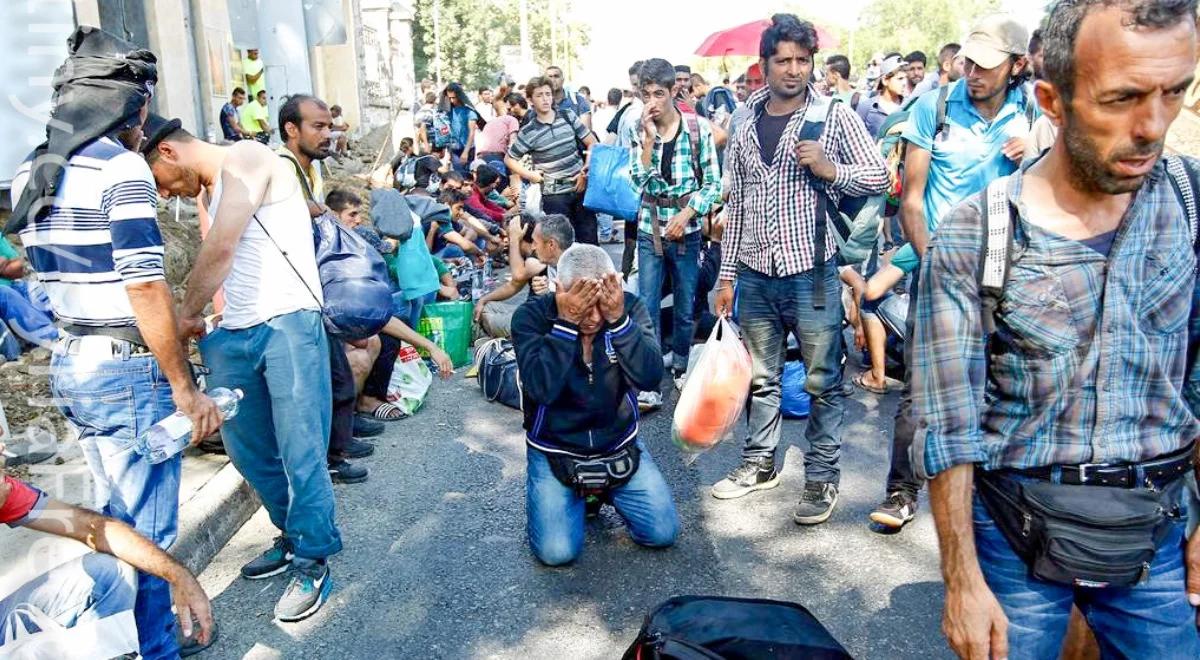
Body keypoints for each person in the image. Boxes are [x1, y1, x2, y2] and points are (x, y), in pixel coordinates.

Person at [916, 1, 1200, 656]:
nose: (1153, 126)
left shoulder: (1188, 203)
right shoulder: (974, 234)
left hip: (1155, 534)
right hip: (1014, 540)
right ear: (1053, 99)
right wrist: (962, 581)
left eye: (1175, 91)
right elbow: (946, 425)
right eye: (1122, 98)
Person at [6, 28, 222, 658]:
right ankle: (154, 648)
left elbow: (45, 274)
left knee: (115, 522)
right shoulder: (121, 166)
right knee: (146, 532)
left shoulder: (35, 166)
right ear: (134, 109)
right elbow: (145, 287)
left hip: (73, 362)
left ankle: (119, 637)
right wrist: (183, 387)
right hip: (124, 372)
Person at [143, 114, 342, 623]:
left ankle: (313, 557)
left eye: (158, 182)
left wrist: (184, 315)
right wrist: (208, 321)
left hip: (288, 324)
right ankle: (290, 532)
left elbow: (223, 246)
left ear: (168, 152)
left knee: (301, 451)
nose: (164, 196)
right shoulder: (208, 192)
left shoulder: (250, 158)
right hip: (232, 332)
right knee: (248, 451)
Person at [711, 14, 887, 525]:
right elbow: (738, 202)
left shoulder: (832, 114)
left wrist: (832, 169)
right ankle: (760, 463)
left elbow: (878, 174)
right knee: (762, 379)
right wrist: (727, 276)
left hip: (812, 273)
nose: (794, 70)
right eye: (783, 60)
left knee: (822, 381)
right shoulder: (744, 117)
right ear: (764, 65)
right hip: (756, 274)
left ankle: (821, 478)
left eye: (802, 60)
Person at [869, 14, 1033, 532]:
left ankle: (993, 502)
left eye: (988, 65)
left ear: (1017, 66)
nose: (975, 73)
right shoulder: (934, 105)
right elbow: (912, 202)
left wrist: (1036, 147)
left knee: (1005, 389)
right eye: (969, 62)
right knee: (921, 390)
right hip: (940, 265)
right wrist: (933, 261)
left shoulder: (1030, 111)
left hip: (1008, 272)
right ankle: (901, 492)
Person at [511, 244, 678, 565]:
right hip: (555, 447)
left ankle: (602, 492)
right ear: (559, 288)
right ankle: (573, 496)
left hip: (617, 442)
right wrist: (566, 324)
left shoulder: (627, 308)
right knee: (557, 553)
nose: (593, 317)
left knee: (662, 533)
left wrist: (619, 322)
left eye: (599, 303)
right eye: (581, 303)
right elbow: (541, 388)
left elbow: (649, 378)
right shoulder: (531, 317)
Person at [0, 462, 214, 656]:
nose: (1, 440)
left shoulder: (7, 493)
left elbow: (92, 527)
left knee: (109, 572)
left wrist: (179, 575)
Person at [276, 95, 378, 483]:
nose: (328, 134)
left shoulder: (309, 169)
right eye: (317, 127)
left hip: (314, 291)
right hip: (292, 296)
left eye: (328, 126)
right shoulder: (281, 167)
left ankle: (340, 443)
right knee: (328, 380)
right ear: (291, 129)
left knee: (335, 376)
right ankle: (331, 458)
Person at [630, 58, 722, 410]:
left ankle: (682, 366)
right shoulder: (640, 130)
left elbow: (714, 184)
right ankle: (651, 381)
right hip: (649, 230)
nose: (652, 101)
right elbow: (637, 181)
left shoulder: (697, 129)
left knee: (686, 306)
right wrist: (650, 142)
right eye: (646, 94)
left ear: (673, 91)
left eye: (658, 93)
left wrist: (689, 212)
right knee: (648, 307)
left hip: (688, 230)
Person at [505, 75, 599, 245]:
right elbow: (510, 159)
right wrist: (530, 174)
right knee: (562, 245)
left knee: (590, 241)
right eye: (539, 95)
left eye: (548, 94)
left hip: (580, 188)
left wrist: (586, 170)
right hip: (554, 195)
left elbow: (591, 142)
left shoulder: (567, 115)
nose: (545, 99)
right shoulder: (528, 131)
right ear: (531, 100)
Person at [475, 213, 575, 338]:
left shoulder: (565, 260)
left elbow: (517, 276)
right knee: (487, 308)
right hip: (537, 312)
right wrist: (483, 300)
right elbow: (513, 285)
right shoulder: (550, 259)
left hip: (546, 324)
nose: (533, 246)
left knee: (491, 318)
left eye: (509, 235)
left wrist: (515, 240)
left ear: (551, 244)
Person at [1024, 29, 1058, 160]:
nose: (1049, 62)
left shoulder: (1062, 93)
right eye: (1043, 56)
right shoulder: (1021, 94)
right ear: (1029, 57)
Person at [857, 54, 909, 137]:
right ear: (885, 80)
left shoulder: (908, 106)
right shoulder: (866, 107)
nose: (904, 83)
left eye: (906, 78)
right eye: (900, 79)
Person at [441, 82, 482, 175]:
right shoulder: (448, 110)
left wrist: (466, 152)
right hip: (454, 148)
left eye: (453, 97)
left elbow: (472, 132)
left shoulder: (469, 111)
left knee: (467, 176)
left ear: (459, 96)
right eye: (449, 98)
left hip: (468, 148)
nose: (451, 100)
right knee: (457, 175)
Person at [475, 94, 520, 178]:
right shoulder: (512, 119)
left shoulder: (490, 123)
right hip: (496, 157)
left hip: (481, 157)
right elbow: (512, 143)